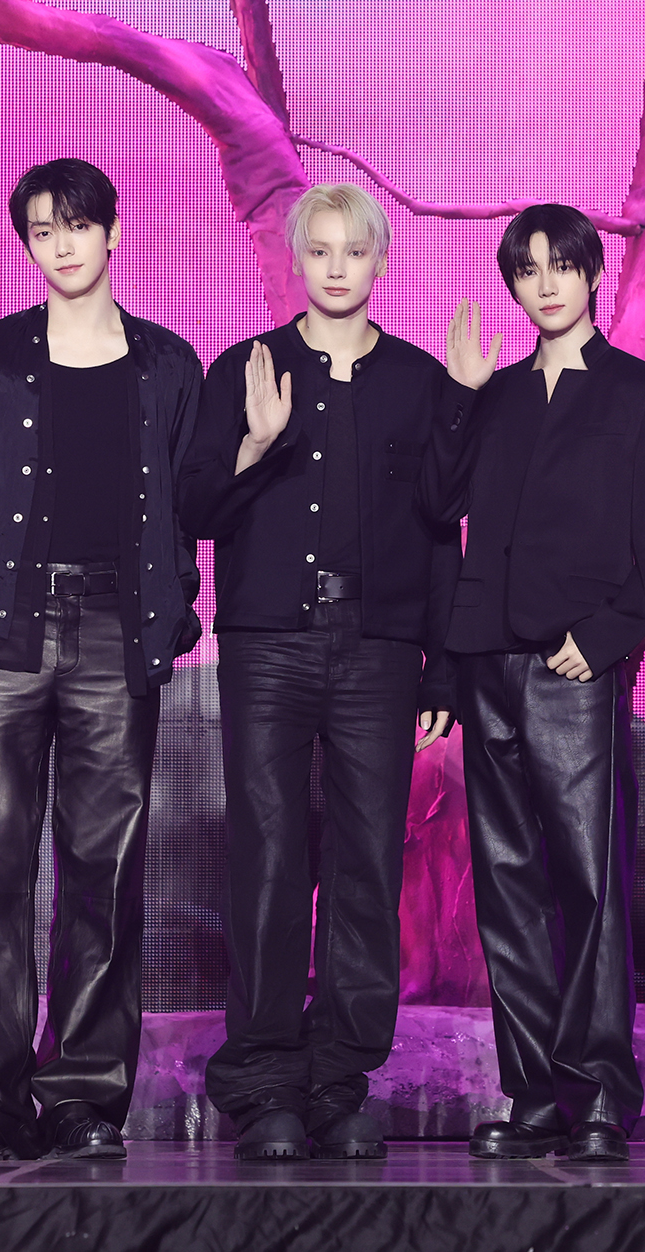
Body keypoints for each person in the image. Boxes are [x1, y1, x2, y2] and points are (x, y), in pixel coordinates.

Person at [0, 158, 205, 1162]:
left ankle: (82, 1097)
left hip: (116, 630)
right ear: (29, 246)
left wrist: (176, 614)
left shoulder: (167, 364)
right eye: (42, 231)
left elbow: (188, 504)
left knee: (101, 873)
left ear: (113, 232)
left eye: (78, 225)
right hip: (9, 631)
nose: (62, 244)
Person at [177, 184, 460, 1161]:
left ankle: (339, 1082)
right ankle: (264, 1086)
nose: (337, 267)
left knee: (366, 864)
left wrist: (440, 673)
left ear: (380, 261)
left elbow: (442, 532)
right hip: (268, 643)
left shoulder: (419, 382)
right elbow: (194, 507)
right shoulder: (244, 368)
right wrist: (254, 442)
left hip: (379, 649)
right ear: (297, 261)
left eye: (354, 250)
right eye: (320, 250)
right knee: (268, 857)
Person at [432, 204, 645, 1162]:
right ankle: (535, 1089)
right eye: (528, 270)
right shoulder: (494, 394)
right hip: (487, 661)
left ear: (591, 274)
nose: (545, 284)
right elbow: (437, 506)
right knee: (506, 889)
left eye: (562, 266)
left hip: (573, 665)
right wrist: (459, 397)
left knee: (590, 884)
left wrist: (609, 636)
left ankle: (601, 1092)